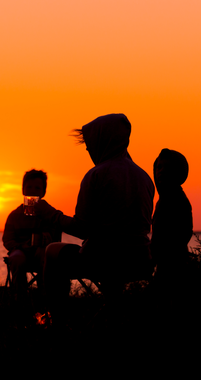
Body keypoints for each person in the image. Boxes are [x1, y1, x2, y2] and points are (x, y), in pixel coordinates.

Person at [33, 114, 156, 320]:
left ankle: (57, 318)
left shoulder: (96, 175)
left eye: (90, 146)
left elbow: (82, 229)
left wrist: (51, 215)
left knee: (53, 250)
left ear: (103, 141)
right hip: (140, 260)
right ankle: (114, 309)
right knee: (110, 248)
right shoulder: (144, 177)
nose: (89, 151)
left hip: (104, 260)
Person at [2, 169, 62, 293]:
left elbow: (56, 238)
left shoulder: (49, 213)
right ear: (23, 189)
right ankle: (20, 296)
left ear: (43, 192)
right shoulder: (15, 215)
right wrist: (21, 246)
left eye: (37, 188)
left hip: (41, 251)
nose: (32, 191)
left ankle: (45, 295)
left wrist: (47, 236)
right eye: (29, 187)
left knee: (44, 256)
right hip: (20, 250)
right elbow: (7, 240)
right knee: (17, 259)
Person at [149, 148, 193, 288]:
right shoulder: (163, 200)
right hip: (163, 264)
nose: (161, 171)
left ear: (178, 172)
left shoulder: (178, 200)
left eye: (168, 167)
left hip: (174, 265)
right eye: (159, 167)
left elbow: (185, 231)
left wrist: (164, 251)